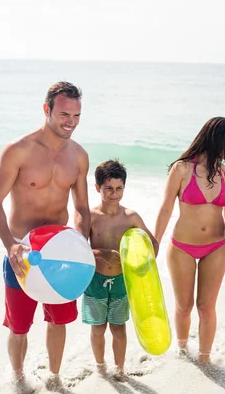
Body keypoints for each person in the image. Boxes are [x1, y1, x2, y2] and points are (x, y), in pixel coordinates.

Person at [0, 81, 90, 389]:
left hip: (62, 257)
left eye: (76, 116)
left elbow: (82, 206)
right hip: (22, 255)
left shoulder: (79, 157)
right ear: (47, 110)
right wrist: (10, 246)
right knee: (19, 326)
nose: (70, 122)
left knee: (59, 321)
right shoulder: (19, 151)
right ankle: (18, 379)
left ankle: (54, 378)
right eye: (64, 114)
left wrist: (81, 240)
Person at [154, 117, 225, 363]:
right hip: (182, 247)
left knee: (206, 307)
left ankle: (205, 360)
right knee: (184, 306)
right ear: (219, 140)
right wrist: (155, 242)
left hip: (216, 247)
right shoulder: (182, 169)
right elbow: (165, 209)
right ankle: (182, 353)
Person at [83, 159, 159, 380]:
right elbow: (78, 250)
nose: (114, 193)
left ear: (124, 188)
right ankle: (100, 367)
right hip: (95, 281)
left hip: (122, 282)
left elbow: (152, 244)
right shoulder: (91, 216)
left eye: (119, 188)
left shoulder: (130, 217)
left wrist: (142, 264)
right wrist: (102, 253)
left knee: (118, 328)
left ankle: (119, 369)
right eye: (108, 188)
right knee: (97, 328)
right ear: (98, 188)